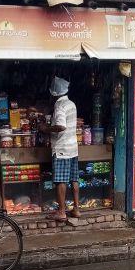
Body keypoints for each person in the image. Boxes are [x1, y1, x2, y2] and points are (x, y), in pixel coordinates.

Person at [40, 76, 79, 223]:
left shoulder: (60, 105)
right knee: (74, 179)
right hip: (73, 147)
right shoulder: (71, 104)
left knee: (61, 180)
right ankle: (76, 209)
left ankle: (61, 212)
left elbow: (61, 126)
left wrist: (46, 129)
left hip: (62, 148)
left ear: (54, 94)